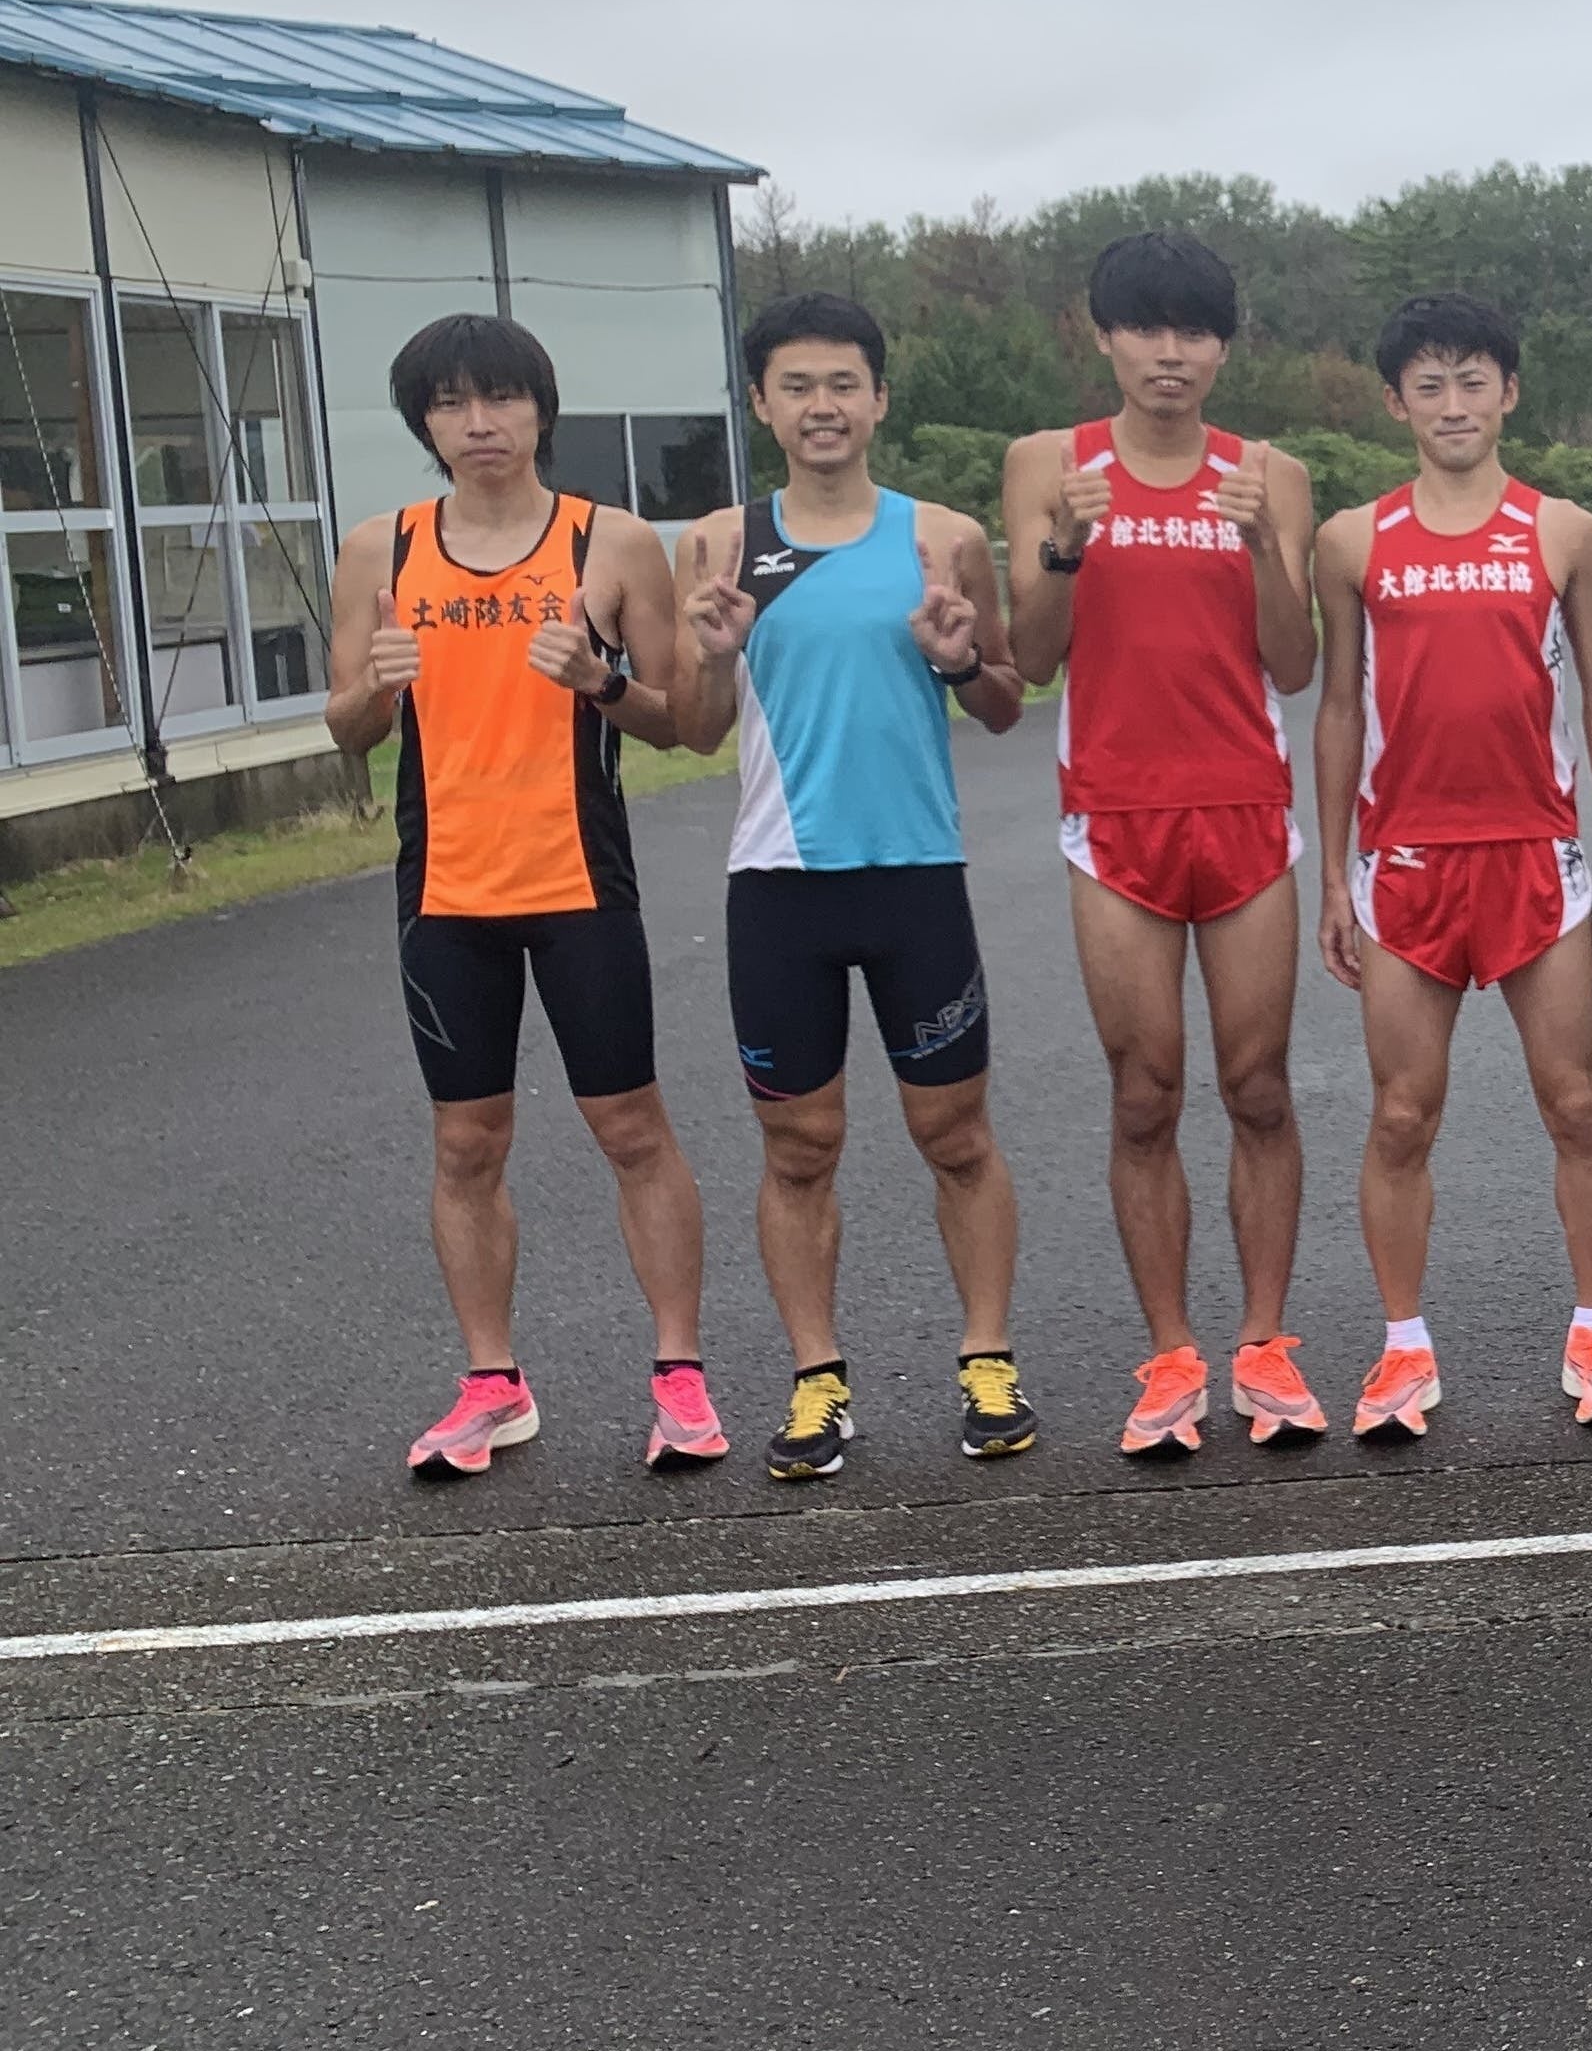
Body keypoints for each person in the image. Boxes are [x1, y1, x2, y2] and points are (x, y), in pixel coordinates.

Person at [325, 312, 713, 1479]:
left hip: (578, 879)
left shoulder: (611, 543)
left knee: (632, 1128)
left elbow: (684, 724)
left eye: (500, 397)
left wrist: (603, 680)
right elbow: (346, 730)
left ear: (542, 410)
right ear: (424, 423)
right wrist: (375, 692)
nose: (478, 422)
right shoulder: (381, 550)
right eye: (450, 402)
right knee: (466, 1143)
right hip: (446, 892)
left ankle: (680, 1375)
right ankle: (493, 1384)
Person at [669, 294, 1028, 1478]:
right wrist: (713, 656)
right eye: (796, 386)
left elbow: (1004, 701)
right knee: (798, 1147)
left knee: (955, 1134)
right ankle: (817, 1379)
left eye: (842, 384)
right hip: (781, 886)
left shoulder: (944, 537)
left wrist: (960, 661)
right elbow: (694, 725)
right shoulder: (719, 544)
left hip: (915, 875)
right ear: (761, 403)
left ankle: (988, 1361)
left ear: (879, 397)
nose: (821, 406)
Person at [1004, 233, 1323, 1459]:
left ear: (1224, 348)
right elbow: (1034, 657)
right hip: (1116, 815)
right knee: (1145, 1093)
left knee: (1259, 1087)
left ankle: (1266, 1344)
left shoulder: (1268, 474)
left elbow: (1292, 662)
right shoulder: (1051, 464)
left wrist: (1260, 547)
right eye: (1146, 328)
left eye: (1194, 331)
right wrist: (1064, 546)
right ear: (1105, 337)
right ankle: (1172, 1354)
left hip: (1243, 807)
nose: (1170, 353)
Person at [1313, 291, 1592, 1437]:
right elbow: (1338, 708)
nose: (1452, 404)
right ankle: (1403, 1349)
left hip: (1536, 860)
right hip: (1405, 865)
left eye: (1472, 381)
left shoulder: (1563, 530)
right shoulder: (1352, 540)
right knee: (1403, 1116)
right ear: (1395, 401)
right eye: (1429, 384)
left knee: (1576, 1105)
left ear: (1508, 393)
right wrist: (1333, 878)